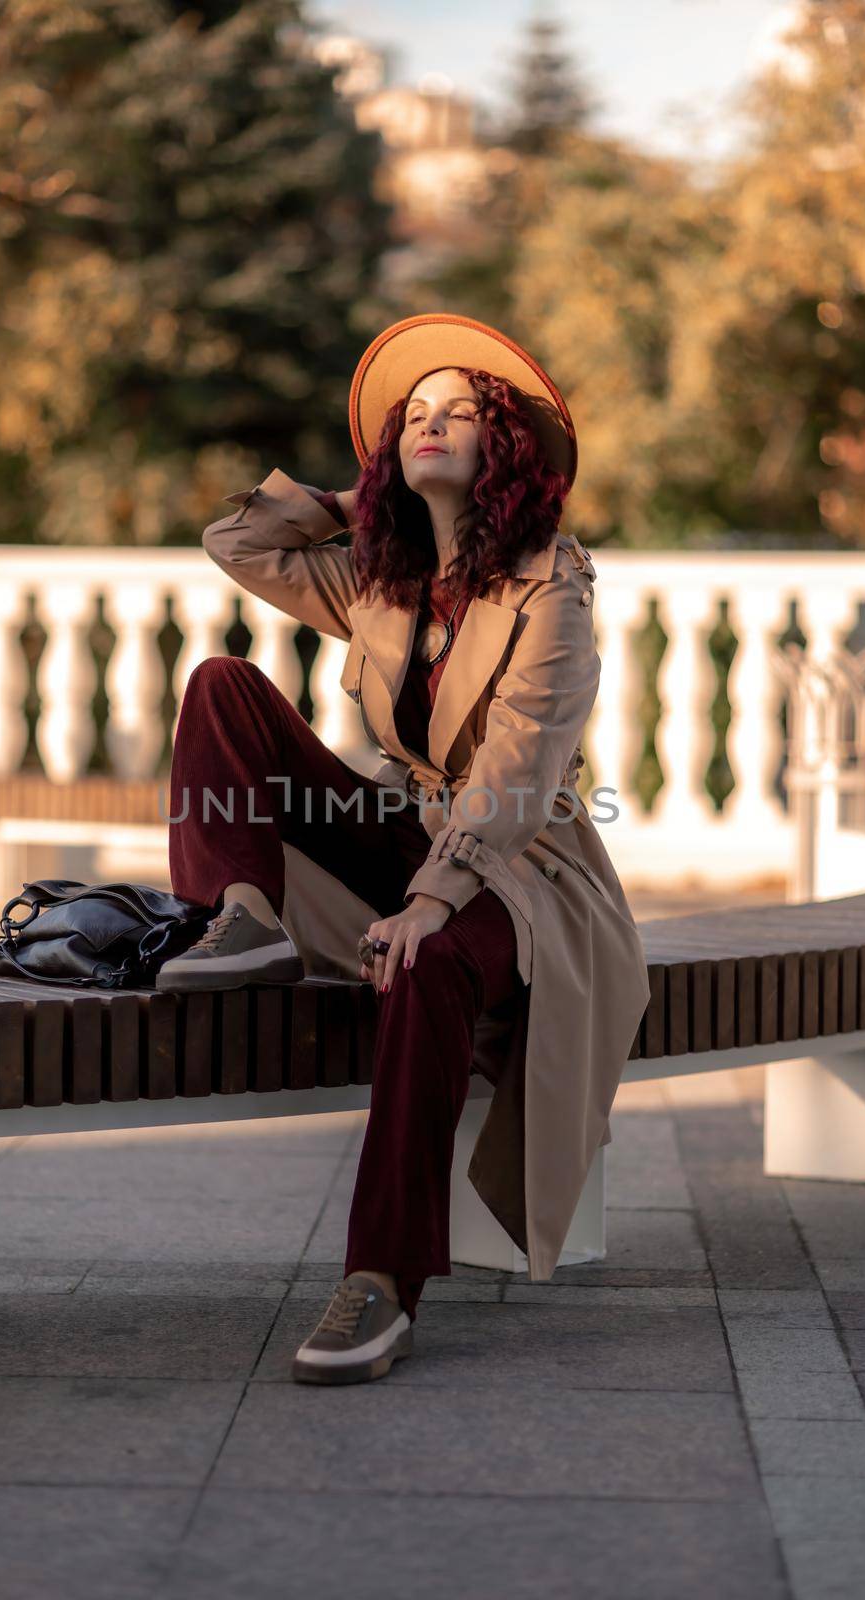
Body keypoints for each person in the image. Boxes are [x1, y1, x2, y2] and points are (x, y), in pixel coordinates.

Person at [160, 313, 650, 1385]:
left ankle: (380, 1280)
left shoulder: (550, 588)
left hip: (525, 875)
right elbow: (233, 544)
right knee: (222, 688)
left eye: (456, 412)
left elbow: (517, 772)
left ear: (503, 445)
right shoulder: (379, 580)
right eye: (410, 417)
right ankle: (238, 917)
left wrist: (429, 902)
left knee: (423, 961)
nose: (428, 426)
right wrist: (352, 499)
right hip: (410, 827)